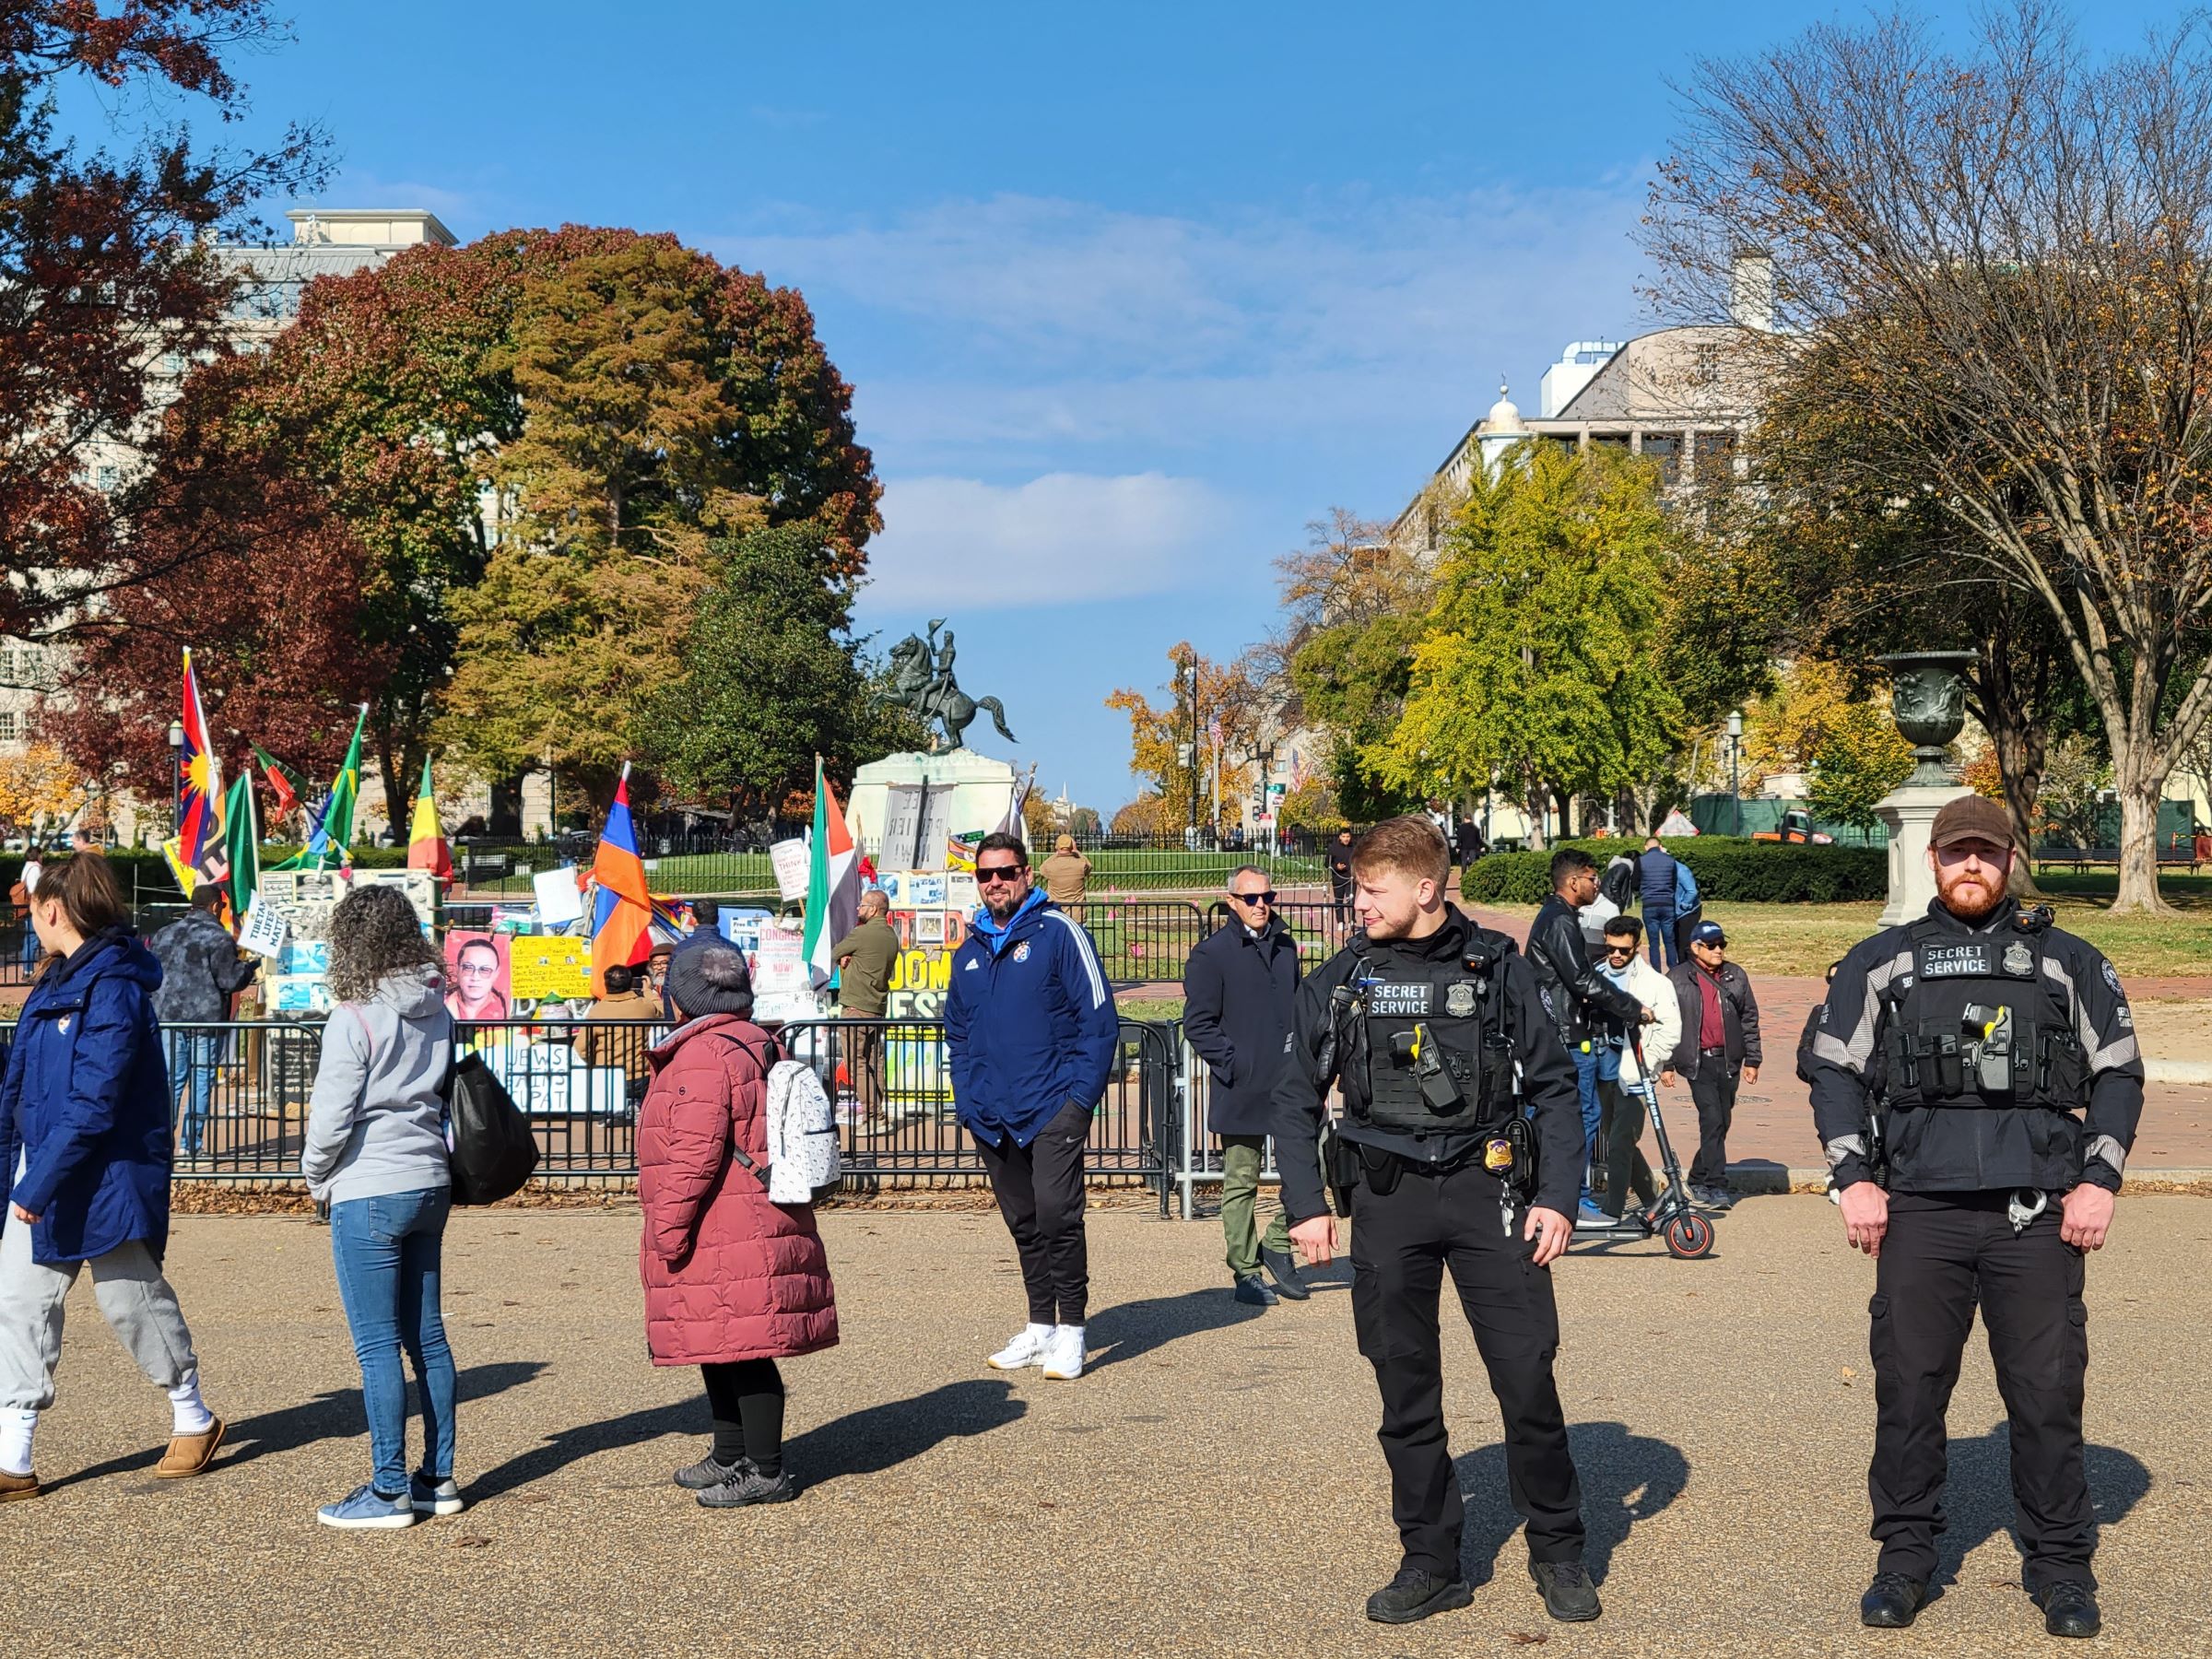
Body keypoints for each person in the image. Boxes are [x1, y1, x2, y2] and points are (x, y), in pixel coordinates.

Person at [1805, 795, 2140, 1640]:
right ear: (1934, 860)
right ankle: (1904, 1561)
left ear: (2010, 857)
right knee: (1911, 1393)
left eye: (1987, 853)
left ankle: (2062, 1567)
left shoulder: (2068, 959)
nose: (1972, 867)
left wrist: (2100, 1178)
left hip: (2038, 1213)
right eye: (1958, 853)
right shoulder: (1883, 961)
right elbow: (1835, 1070)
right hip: (1920, 1208)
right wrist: (1853, 1177)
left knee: (2046, 1395)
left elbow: (2121, 1074)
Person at [1272, 817, 1601, 1628]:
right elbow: (1293, 1101)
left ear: (1426, 888)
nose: (1357, 904)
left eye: (1371, 890)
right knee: (1405, 1388)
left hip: (1490, 1192)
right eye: (1355, 889)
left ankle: (1558, 1551)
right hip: (1387, 1199)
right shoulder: (1342, 981)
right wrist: (1308, 1207)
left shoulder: (1496, 968)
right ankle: (1431, 1561)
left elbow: (1556, 1087)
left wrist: (1557, 1196)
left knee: (1526, 1377)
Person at [0, 853, 225, 1500]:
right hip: (43, 1168)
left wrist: (38, 1181)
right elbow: (19, 1088)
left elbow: (95, 1100)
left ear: (54, 909)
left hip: (105, 1175)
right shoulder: (50, 983)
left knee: (130, 1299)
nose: (30, 919)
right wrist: (21, 1170)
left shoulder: (116, 987)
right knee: (19, 1302)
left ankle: (193, 1415)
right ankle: (14, 1458)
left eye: (34, 906)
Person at [641, 942, 838, 1508]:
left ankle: (766, 1469)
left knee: (747, 1348)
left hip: (723, 1220)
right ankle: (731, 1453)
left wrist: (668, 1229)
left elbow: (693, 1155)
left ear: (680, 997)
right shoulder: (754, 1040)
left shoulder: (702, 1056)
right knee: (724, 1339)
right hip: (754, 1211)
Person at [301, 884, 461, 1529]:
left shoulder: (355, 1014)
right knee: (428, 1336)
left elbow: (332, 1116)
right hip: (430, 1175)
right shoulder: (437, 1007)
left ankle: (388, 1487)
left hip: (369, 1183)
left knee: (375, 1348)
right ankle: (437, 1478)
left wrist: (315, 1176)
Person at [943, 831, 1118, 1383]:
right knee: (1022, 1221)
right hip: (992, 1114)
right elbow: (958, 1033)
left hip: (1051, 1106)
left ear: (1026, 874)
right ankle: (1040, 1323)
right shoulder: (969, 950)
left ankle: (1072, 1330)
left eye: (1006, 871)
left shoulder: (1060, 933)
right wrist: (968, 1099)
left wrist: (1078, 1101)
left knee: (1056, 1216)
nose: (996, 882)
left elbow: (1099, 1020)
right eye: (985, 875)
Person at [1182, 865, 1303, 1306]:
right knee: (1242, 1180)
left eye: (1267, 897)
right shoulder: (1211, 955)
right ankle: (1246, 1270)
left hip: (1291, 1083)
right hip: (1243, 1083)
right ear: (1230, 901)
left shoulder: (1286, 946)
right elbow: (1198, 1024)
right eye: (1250, 898)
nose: (1260, 905)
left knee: (1319, 1163)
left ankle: (1276, 1240)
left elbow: (1298, 1008)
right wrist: (1236, 1064)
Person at [1524, 848, 1648, 1227]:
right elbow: (1579, 979)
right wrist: (1630, 1006)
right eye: (1593, 879)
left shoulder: (1559, 917)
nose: (1597, 885)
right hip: (1564, 1032)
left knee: (1560, 1116)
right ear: (1574, 881)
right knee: (1580, 1115)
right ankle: (1571, 1200)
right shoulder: (1559, 921)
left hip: (1563, 1027)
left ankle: (1547, 1194)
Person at [148, 885, 258, 1158]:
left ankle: (162, 1145)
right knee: (200, 1079)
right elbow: (230, 980)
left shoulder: (164, 934)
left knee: (172, 1080)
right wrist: (249, 969)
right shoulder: (217, 937)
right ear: (214, 906)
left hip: (169, 1018)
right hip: (205, 1019)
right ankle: (191, 1146)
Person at [1660, 921, 1762, 1209]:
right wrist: (1667, 1063)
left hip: (1728, 1060)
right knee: (1712, 1119)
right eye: (1712, 945)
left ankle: (1697, 1174)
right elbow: (1666, 1022)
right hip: (1697, 1061)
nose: (1719, 950)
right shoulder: (1678, 978)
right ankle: (1717, 1185)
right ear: (1695, 948)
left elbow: (1749, 1019)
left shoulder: (1735, 975)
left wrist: (1752, 1059)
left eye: (1722, 945)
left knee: (1722, 1121)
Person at [1593, 915, 1681, 1220]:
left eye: (1624, 950)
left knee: (1619, 1143)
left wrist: (1650, 1060)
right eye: (1611, 948)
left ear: (1637, 947)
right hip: (1602, 1071)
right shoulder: (1595, 975)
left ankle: (1612, 1209)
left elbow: (1672, 1029)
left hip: (1635, 1075)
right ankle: (1655, 1200)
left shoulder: (1657, 983)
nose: (1616, 955)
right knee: (1622, 1142)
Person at [830, 890, 899, 1121]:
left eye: (862, 905)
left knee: (856, 1062)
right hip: (876, 1007)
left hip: (855, 1008)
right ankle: (878, 1114)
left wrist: (844, 958)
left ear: (873, 909)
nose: (858, 909)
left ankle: (873, 1114)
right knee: (874, 1060)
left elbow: (834, 952)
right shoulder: (891, 935)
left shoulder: (861, 934)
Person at [575, 962, 657, 1115]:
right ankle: (634, 1110)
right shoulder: (644, 1006)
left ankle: (611, 1115)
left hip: (607, 1076)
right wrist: (648, 991)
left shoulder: (596, 1011)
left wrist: (595, 1063)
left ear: (606, 984)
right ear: (631, 982)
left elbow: (581, 1048)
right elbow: (660, 1009)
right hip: (640, 1076)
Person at [1637, 836, 1680, 971]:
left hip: (1649, 903)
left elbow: (1635, 882)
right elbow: (1674, 882)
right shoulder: (1670, 860)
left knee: (1653, 942)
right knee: (1669, 940)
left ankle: (1656, 971)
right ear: (1660, 846)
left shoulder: (1641, 861)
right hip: (1667, 903)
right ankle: (1673, 969)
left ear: (1646, 847)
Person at [445, 935, 508, 1022]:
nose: (475, 977)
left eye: (485, 970)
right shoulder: (442, 1005)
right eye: (468, 968)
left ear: (496, 974)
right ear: (457, 969)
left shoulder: (505, 1007)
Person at [1040, 833, 1094, 919]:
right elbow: (1089, 866)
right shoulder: (1080, 864)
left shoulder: (1050, 866)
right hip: (1077, 914)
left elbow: (1042, 869)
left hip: (1056, 914)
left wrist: (1057, 853)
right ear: (1072, 846)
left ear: (1057, 846)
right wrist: (1076, 851)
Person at [9, 851, 38, 970]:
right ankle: (28, 970)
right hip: (31, 907)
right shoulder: (35, 869)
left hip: (25, 907)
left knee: (29, 938)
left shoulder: (27, 867)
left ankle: (27, 969)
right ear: (38, 856)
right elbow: (34, 889)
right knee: (34, 938)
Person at [673, 898, 723, 962]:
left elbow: (672, 971)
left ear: (694, 919)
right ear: (718, 919)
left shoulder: (680, 948)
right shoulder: (732, 948)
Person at [1327, 827, 1356, 924]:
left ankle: (1351, 920)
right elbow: (1327, 864)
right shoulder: (1333, 848)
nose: (1346, 839)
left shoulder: (1354, 848)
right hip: (1338, 879)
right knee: (1339, 901)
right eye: (1344, 836)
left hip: (1351, 879)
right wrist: (1336, 866)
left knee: (1350, 900)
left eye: (1348, 836)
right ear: (1340, 837)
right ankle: (1340, 921)